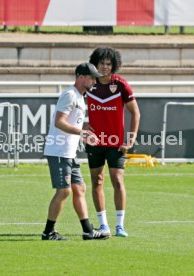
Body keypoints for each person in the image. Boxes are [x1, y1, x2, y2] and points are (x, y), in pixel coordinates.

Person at [42, 62, 110, 241]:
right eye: (92, 77)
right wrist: (82, 132)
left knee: (80, 188)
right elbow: (59, 121)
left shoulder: (80, 97)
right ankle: (48, 232)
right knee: (64, 191)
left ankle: (88, 231)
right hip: (59, 151)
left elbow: (71, 121)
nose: (94, 81)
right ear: (81, 77)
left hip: (69, 153)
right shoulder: (70, 95)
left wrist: (85, 126)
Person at [86, 47, 140, 237]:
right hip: (94, 143)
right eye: (102, 63)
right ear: (95, 63)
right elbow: (73, 109)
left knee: (117, 181)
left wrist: (130, 139)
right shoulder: (88, 83)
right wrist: (84, 125)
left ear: (114, 65)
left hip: (116, 143)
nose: (105, 67)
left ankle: (120, 226)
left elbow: (135, 113)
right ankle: (103, 225)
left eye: (109, 64)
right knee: (97, 181)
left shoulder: (121, 85)